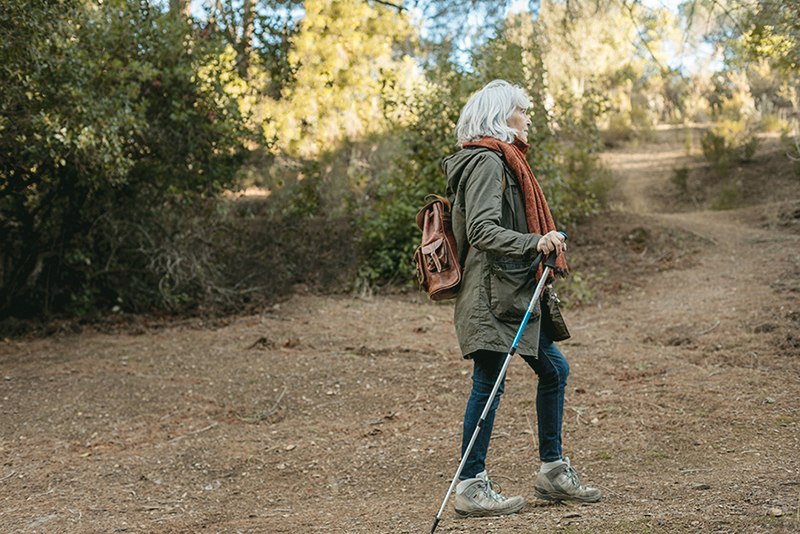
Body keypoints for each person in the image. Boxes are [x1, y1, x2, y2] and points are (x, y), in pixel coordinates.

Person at [441, 79, 601, 517]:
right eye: (521, 110)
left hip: (514, 291)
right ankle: (471, 485)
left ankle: (551, 471)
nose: (528, 118)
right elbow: (481, 231)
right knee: (489, 382)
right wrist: (536, 242)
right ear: (500, 117)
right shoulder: (487, 163)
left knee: (554, 369)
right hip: (492, 295)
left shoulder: (506, 161)